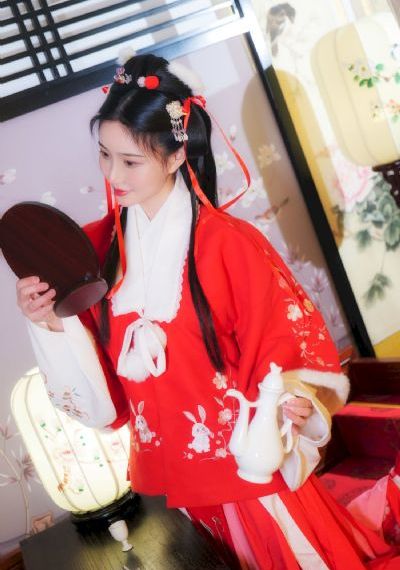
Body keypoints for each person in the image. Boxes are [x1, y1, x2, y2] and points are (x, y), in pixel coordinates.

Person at [16, 53, 398, 569]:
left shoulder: (229, 243)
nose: (113, 174)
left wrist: (291, 398)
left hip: (241, 464)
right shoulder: (94, 249)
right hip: (166, 470)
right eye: (104, 155)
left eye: (130, 161)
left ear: (177, 155)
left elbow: (279, 341)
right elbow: (102, 382)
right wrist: (48, 318)